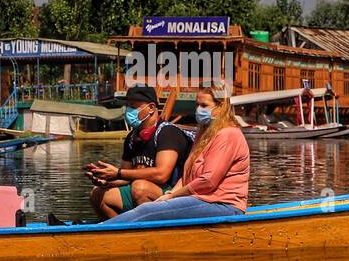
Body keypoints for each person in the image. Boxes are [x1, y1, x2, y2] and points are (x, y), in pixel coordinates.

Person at [106, 83, 249, 225]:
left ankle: (100, 231)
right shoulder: (204, 134)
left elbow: (208, 181)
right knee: (150, 208)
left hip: (223, 205)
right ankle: (103, 229)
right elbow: (187, 175)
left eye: (204, 106)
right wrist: (170, 194)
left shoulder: (228, 134)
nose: (198, 110)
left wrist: (173, 196)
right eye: (197, 105)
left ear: (221, 107)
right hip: (202, 199)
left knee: (147, 211)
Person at [86, 85, 192, 219]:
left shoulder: (167, 132)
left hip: (174, 194)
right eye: (127, 106)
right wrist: (107, 179)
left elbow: (161, 175)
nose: (128, 110)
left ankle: (151, 232)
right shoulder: (132, 137)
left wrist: (118, 173)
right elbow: (126, 177)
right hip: (142, 191)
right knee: (97, 194)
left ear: (151, 108)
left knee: (140, 187)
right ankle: (123, 233)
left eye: (133, 106)